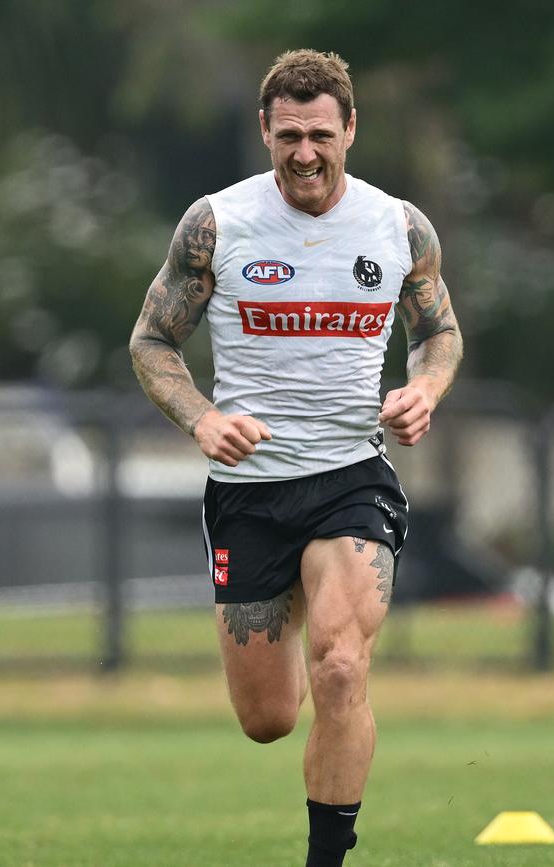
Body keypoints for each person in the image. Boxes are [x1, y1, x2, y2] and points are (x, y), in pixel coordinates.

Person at [130, 48, 462, 867]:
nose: (304, 152)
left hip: (352, 477)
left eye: (320, 134)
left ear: (350, 128)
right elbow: (152, 340)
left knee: (343, 667)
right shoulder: (217, 223)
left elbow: (439, 332)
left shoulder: (399, 226)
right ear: (264, 132)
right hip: (248, 490)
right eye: (288, 136)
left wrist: (426, 388)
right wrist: (203, 419)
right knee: (270, 717)